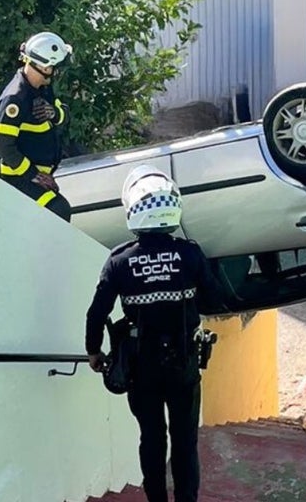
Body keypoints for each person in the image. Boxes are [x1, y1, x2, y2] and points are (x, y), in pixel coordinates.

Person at [85, 166, 222, 502]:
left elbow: (96, 312)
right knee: (185, 440)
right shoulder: (189, 253)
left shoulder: (119, 261)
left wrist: (94, 351)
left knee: (152, 437)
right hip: (184, 365)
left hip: (141, 367)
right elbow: (214, 298)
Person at [0, 30, 73, 221]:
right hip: (19, 178)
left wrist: (54, 114)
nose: (56, 72)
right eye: (54, 67)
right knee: (59, 210)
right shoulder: (15, 99)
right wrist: (34, 175)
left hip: (41, 173)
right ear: (44, 67)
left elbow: (64, 113)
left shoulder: (43, 87)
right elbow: (3, 146)